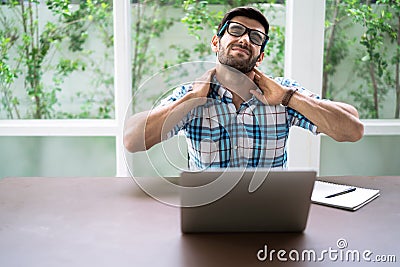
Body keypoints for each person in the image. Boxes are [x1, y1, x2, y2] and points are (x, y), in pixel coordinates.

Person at [124, 6, 364, 170]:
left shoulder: (284, 93)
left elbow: (352, 129)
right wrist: (191, 100)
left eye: (256, 37)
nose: (245, 39)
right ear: (216, 42)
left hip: (272, 219)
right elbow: (132, 139)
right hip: (208, 217)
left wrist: (288, 97)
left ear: (260, 56)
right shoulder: (192, 95)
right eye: (236, 30)